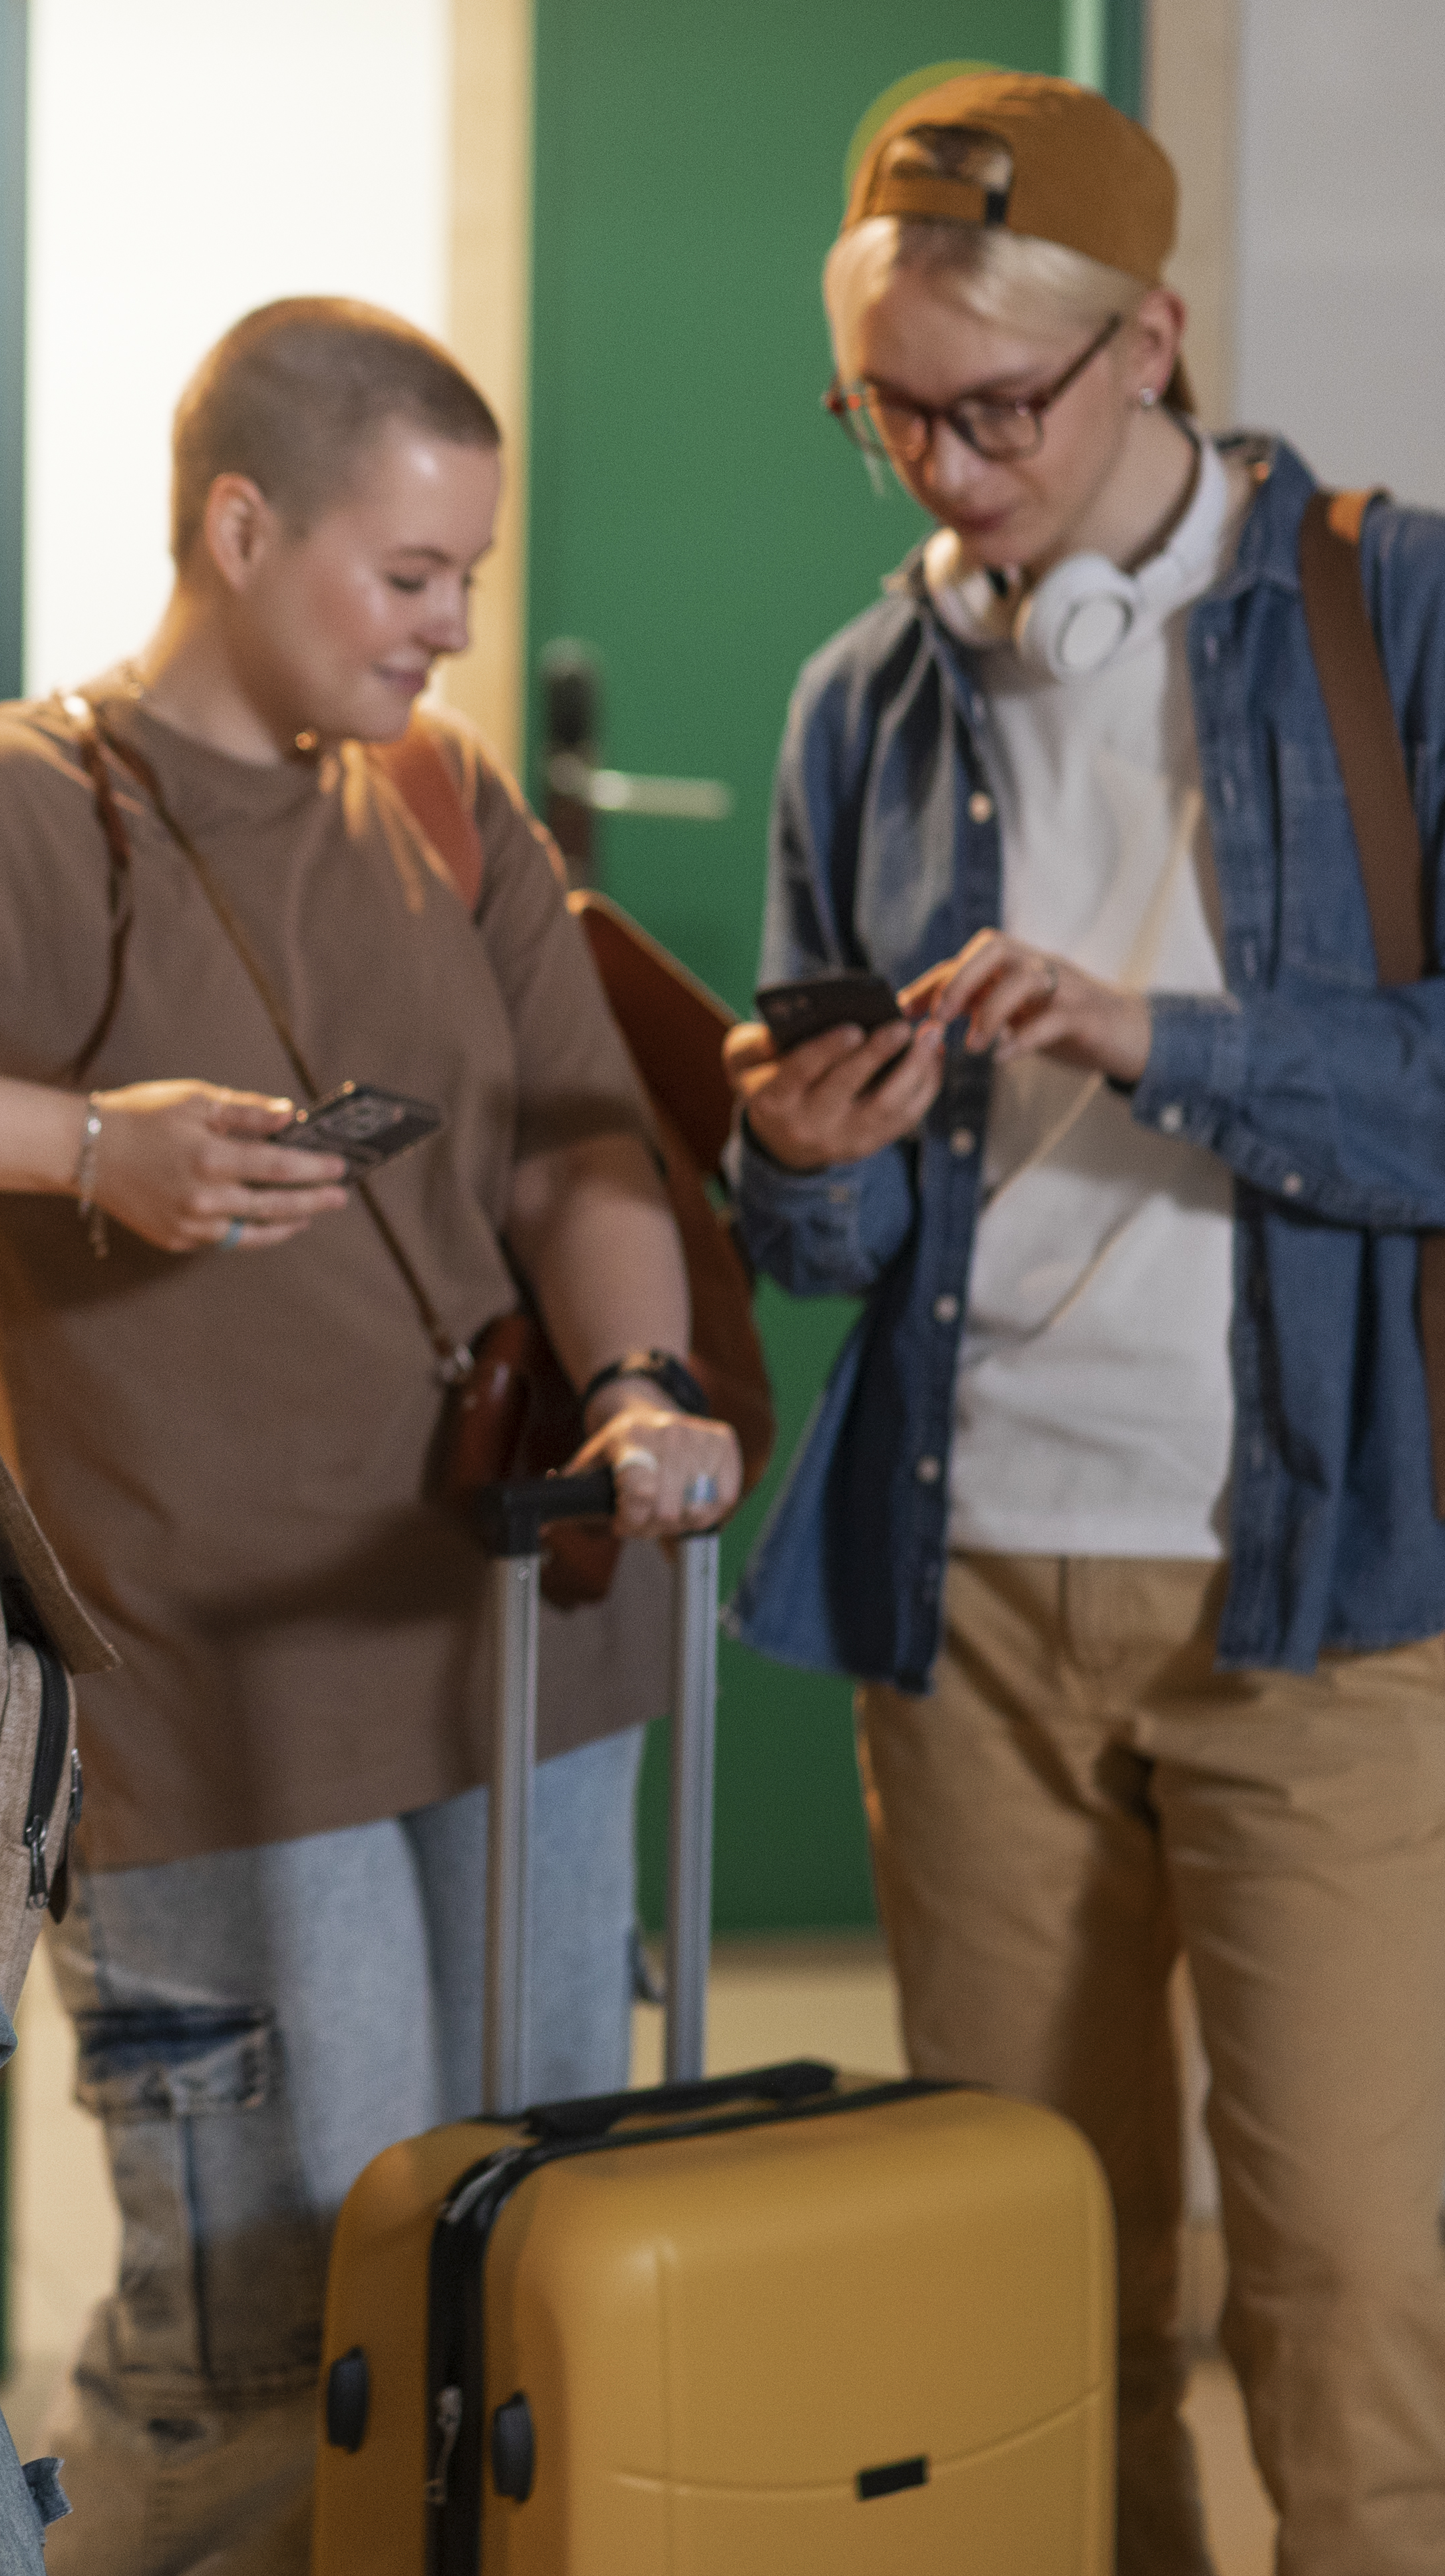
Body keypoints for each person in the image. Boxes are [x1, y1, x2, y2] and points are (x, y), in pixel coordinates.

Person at [0, 299, 742, 2573]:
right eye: (407, 572)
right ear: (239, 526)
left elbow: (577, 1153)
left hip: (529, 1656)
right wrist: (75, 1146)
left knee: (535, 2305)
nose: (453, 626)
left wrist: (640, 1382)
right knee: (271, 2365)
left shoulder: (445, 805)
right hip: (224, 1714)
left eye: (470, 574)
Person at [730, 74, 1445, 2575]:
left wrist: (1155, 1035)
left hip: (1322, 1602)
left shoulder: (1399, 618)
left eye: (990, 406)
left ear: (1150, 340)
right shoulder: (863, 702)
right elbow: (825, 1258)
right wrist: (798, 1166)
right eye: (885, 410)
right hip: (970, 1599)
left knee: (1350, 2282)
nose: (937, 468)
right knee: (1049, 2279)